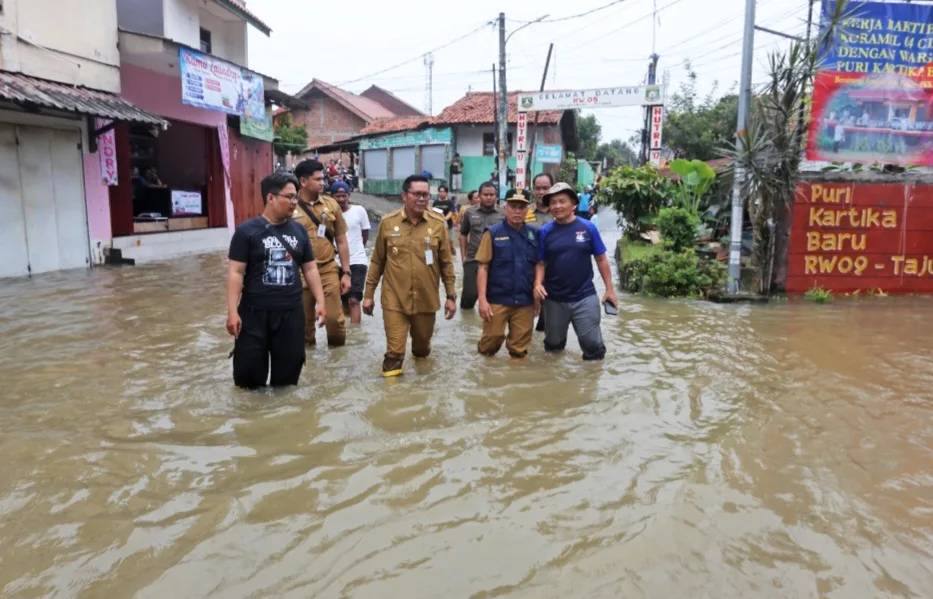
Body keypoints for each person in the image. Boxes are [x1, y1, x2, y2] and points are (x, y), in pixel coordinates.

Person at [226, 172, 326, 389]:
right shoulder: (246, 231)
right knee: (249, 382)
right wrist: (232, 312)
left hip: (291, 313)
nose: (294, 202)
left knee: (288, 382)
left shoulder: (299, 230)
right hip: (254, 314)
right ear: (270, 197)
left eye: (295, 197)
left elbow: (310, 268)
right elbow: (236, 272)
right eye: (289, 197)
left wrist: (321, 302)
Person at [363, 175, 457, 377]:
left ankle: (422, 392)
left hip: (426, 298)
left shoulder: (438, 224)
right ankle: (393, 399)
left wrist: (451, 296)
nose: (422, 199)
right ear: (404, 195)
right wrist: (368, 294)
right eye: (417, 194)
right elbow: (377, 261)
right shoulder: (388, 223)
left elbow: (446, 264)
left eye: (425, 195)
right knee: (395, 352)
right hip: (394, 298)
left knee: (421, 350)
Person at [534, 182, 618, 361]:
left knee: (593, 348)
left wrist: (610, 290)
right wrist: (537, 284)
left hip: (584, 297)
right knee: (553, 347)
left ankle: (591, 383)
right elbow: (541, 262)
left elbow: (601, 259)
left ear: (573, 204)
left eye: (562, 201)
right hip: (554, 298)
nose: (557, 206)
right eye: (553, 202)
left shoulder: (588, 228)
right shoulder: (545, 232)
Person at [292, 159, 353, 347]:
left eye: (322, 178)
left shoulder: (331, 205)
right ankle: (308, 368)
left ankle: (337, 363)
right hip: (299, 274)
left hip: (327, 270)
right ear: (303, 182)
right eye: (317, 179)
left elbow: (341, 241)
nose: (322, 183)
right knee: (303, 327)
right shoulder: (289, 206)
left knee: (335, 321)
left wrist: (346, 273)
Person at [475, 188, 539, 359]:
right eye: (513, 206)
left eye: (521, 207)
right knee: (491, 342)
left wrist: (537, 298)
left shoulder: (534, 234)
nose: (517, 211)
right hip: (497, 299)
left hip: (525, 301)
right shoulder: (493, 233)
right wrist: (482, 300)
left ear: (528, 209)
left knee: (519, 349)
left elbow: (539, 266)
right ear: (505, 208)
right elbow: (483, 267)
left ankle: (515, 382)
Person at [459, 182, 504, 310]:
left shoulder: (503, 214)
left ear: (496, 196)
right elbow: (463, 234)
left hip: (495, 261)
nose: (489, 197)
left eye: (492, 194)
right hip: (473, 260)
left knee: (494, 297)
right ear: (479, 196)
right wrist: (464, 256)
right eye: (485, 194)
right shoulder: (469, 212)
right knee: (469, 297)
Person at [332, 181, 370, 325]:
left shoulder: (359, 211)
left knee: (354, 299)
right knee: (343, 299)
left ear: (348, 195)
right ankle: (348, 331)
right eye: (338, 196)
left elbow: (365, 234)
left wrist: (357, 249)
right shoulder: (329, 214)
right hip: (336, 262)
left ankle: (355, 331)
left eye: (344, 195)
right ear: (332, 197)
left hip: (357, 261)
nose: (341, 199)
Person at [529, 172, 555, 332]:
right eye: (538, 188)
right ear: (533, 190)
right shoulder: (525, 213)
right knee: (524, 315)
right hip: (529, 271)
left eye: (545, 188)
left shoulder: (559, 212)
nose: (541, 192)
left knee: (548, 318)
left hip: (554, 271)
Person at [432, 185, 458, 255]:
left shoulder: (450, 202)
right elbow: (433, 213)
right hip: (438, 226)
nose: (441, 193)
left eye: (443, 192)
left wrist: (444, 219)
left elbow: (451, 213)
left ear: (446, 193)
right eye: (440, 191)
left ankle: (453, 255)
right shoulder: (435, 202)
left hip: (448, 226)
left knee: (450, 242)